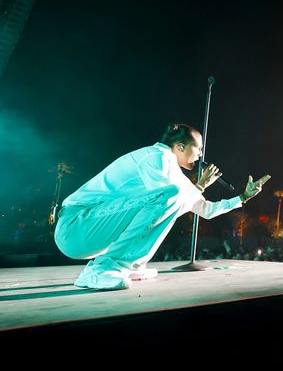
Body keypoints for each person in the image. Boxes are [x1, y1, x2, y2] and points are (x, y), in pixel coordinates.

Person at [54, 123, 270, 291]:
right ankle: (103, 268)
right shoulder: (154, 157)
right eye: (199, 148)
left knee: (173, 195)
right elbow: (166, 198)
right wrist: (200, 185)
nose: (201, 155)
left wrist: (243, 197)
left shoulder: (173, 173)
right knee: (171, 195)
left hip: (91, 233)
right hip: (74, 226)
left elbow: (205, 210)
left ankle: (132, 265)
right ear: (180, 147)